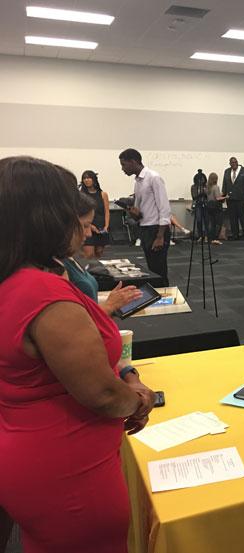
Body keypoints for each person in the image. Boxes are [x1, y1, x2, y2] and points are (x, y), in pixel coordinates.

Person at [0, 156, 155, 553]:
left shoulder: (16, 278)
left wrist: (126, 377)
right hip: (68, 473)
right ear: (46, 217)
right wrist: (137, 399)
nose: (81, 222)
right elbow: (100, 395)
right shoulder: (43, 294)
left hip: (35, 457)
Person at [60, 189, 142, 315]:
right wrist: (109, 306)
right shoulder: (56, 268)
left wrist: (109, 303)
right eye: (85, 226)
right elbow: (71, 321)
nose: (88, 233)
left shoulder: (68, 258)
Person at [118, 148, 172, 286]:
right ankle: (157, 299)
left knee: (159, 271)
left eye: (124, 164)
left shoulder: (153, 177)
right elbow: (140, 211)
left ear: (133, 161)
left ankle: (166, 302)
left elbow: (164, 208)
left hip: (157, 230)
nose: (122, 169)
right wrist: (133, 212)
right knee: (152, 270)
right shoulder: (137, 181)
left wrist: (160, 236)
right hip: (145, 228)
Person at [79, 170, 110, 259]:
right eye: (84, 178)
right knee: (89, 254)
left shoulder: (103, 194)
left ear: (94, 180)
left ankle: (96, 271)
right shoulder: (81, 195)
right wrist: (90, 226)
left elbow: (106, 211)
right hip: (88, 227)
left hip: (101, 227)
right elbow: (79, 213)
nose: (86, 180)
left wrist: (106, 226)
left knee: (99, 253)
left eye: (89, 178)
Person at [222, 156, 244, 240]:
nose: (234, 164)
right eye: (232, 163)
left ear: (237, 162)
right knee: (233, 218)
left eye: (235, 162)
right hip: (230, 199)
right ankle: (235, 234)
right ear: (230, 164)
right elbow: (224, 184)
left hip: (242, 199)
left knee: (243, 218)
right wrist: (223, 196)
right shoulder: (227, 171)